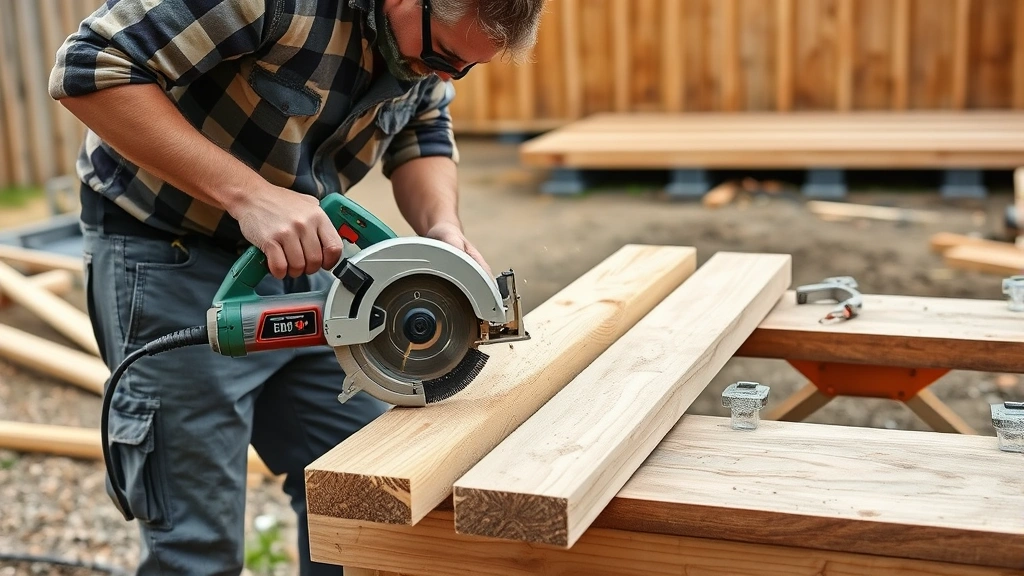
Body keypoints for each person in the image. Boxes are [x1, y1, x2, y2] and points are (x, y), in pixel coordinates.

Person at [47, 0, 545, 573]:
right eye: (440, 56)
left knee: (362, 503)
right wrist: (249, 196)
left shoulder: (424, 46)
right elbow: (90, 67)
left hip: (300, 252)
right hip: (168, 248)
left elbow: (423, 129)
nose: (443, 74)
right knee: (196, 546)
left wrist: (441, 231)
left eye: (464, 69)